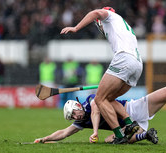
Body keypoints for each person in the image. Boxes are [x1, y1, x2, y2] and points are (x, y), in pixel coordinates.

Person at [34, 55, 166, 144]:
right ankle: (145, 135)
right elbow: (63, 133)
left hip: (137, 109)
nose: (75, 118)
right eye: (72, 118)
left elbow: (96, 109)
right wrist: (44, 138)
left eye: (74, 114)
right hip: (130, 127)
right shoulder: (81, 122)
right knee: (110, 140)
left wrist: (94, 131)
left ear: (77, 106)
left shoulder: (91, 101)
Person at [60, 7, 143, 144]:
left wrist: (76, 27)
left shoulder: (109, 16)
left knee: (99, 99)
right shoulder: (122, 25)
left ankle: (119, 135)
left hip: (124, 59)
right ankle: (130, 124)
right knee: (109, 98)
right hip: (138, 64)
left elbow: (95, 13)